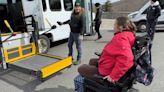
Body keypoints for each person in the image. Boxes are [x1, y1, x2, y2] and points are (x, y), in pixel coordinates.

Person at [78, 16, 136, 83]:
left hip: (107, 70)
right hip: (110, 62)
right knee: (92, 61)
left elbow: (127, 59)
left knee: (81, 68)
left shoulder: (120, 38)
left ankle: (93, 82)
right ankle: (92, 80)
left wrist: (113, 76)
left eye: (115, 24)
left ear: (120, 27)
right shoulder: (129, 34)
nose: (113, 27)